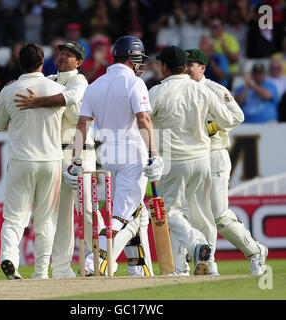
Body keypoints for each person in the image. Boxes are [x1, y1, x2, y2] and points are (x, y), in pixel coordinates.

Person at [63, 35, 163, 276]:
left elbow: (83, 124)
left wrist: (75, 159)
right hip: (132, 151)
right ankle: (94, 261)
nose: (142, 64)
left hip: (107, 153)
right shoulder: (134, 83)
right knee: (124, 214)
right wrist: (154, 155)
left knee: (136, 213)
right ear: (132, 58)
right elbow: (143, 119)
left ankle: (139, 268)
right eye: (139, 59)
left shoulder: (95, 84)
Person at [14, 40, 104, 278]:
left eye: (69, 55)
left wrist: (38, 101)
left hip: (81, 153)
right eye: (61, 53)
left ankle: (102, 258)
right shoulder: (49, 81)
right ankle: (62, 267)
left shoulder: (80, 81)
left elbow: (68, 100)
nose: (63, 57)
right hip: (55, 155)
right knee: (61, 214)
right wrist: (17, 87)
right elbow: (31, 91)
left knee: (87, 210)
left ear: (80, 62)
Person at [0, 43, 66, 280]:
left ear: (20, 63)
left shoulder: (10, 90)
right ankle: (40, 273)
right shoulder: (56, 88)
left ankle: (9, 257)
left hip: (21, 160)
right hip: (51, 160)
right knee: (46, 219)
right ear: (42, 61)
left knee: (15, 217)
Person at [179, 48, 267, 276]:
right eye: (185, 64)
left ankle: (256, 252)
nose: (187, 69)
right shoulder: (181, 89)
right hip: (191, 157)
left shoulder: (214, 89)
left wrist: (213, 127)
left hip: (215, 155)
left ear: (202, 68)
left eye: (192, 65)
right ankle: (208, 264)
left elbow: (238, 116)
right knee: (194, 215)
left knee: (218, 215)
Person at [149, 45, 235, 275]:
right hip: (201, 161)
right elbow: (227, 119)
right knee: (203, 214)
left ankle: (197, 245)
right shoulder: (203, 90)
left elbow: (142, 121)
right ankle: (210, 264)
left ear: (165, 67)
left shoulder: (157, 92)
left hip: (173, 162)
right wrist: (209, 126)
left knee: (170, 213)